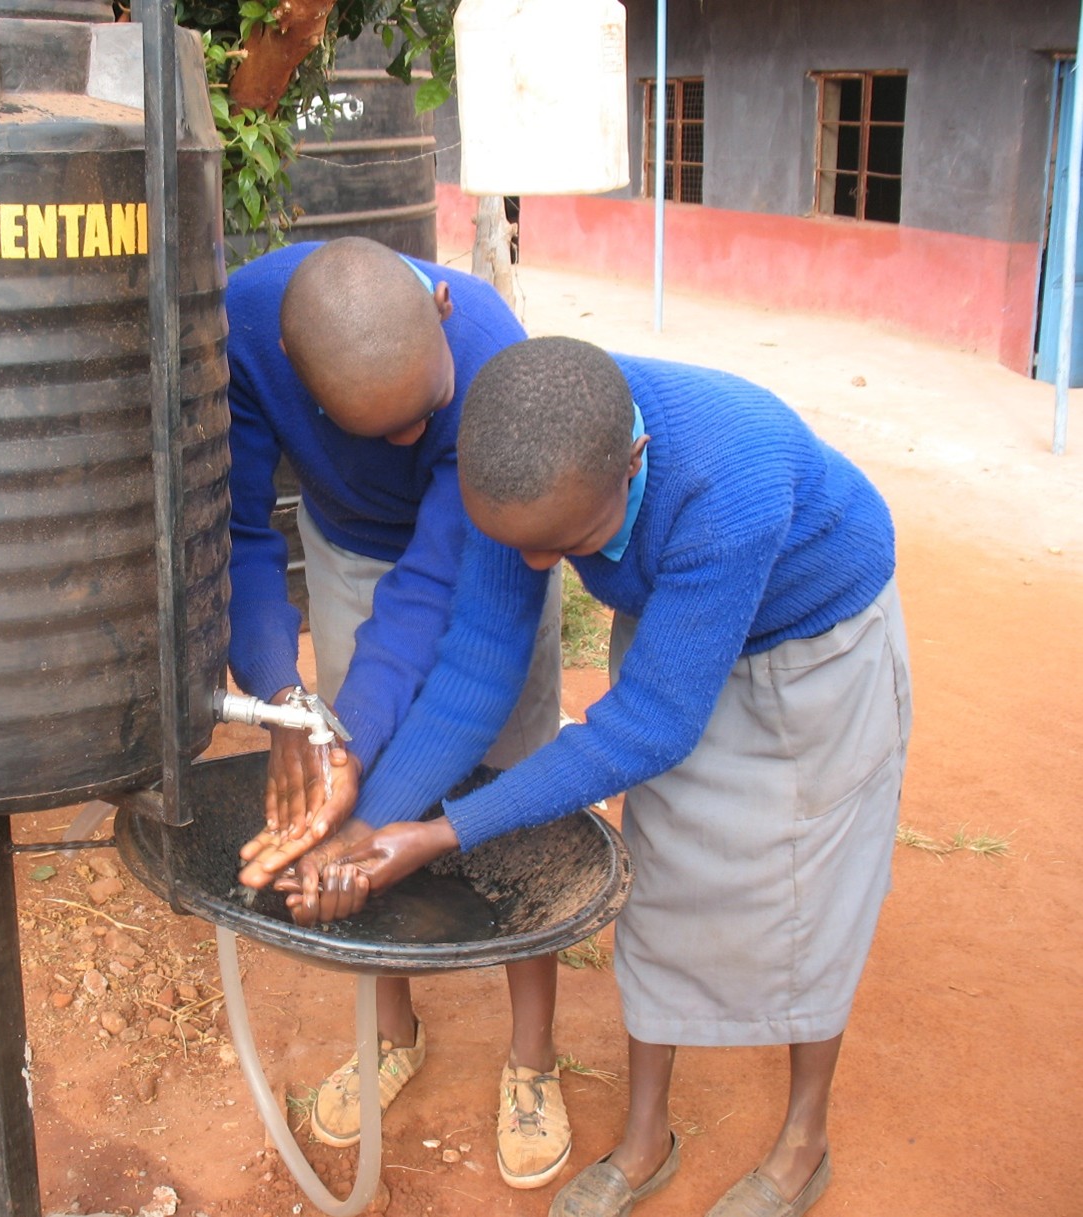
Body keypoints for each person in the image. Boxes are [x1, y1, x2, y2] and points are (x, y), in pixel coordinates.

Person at [295, 336, 912, 1217]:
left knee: (809, 899)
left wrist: (442, 832)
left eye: (573, 543)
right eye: (527, 549)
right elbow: (475, 670)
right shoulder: (522, 457)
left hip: (811, 650)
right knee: (659, 888)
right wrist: (366, 826)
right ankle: (644, 1137)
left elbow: (650, 727)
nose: (545, 566)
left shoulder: (724, 482)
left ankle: (801, 1142)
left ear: (633, 459)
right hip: (678, 626)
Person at [223, 238, 572, 1188]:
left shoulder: (493, 356)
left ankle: (532, 1057)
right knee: (352, 794)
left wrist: (360, 741)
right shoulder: (247, 332)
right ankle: (391, 1033)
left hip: (488, 547)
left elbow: (434, 594)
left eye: (424, 412)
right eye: (377, 428)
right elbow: (237, 531)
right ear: (300, 376)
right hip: (343, 547)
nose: (410, 441)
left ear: (444, 315)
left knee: (510, 794)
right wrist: (291, 704)